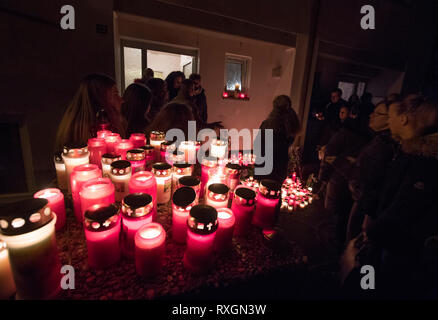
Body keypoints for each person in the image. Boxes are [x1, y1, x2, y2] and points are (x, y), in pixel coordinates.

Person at [342, 95, 438, 298]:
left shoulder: (423, 161)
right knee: (370, 272)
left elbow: (406, 206)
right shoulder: (404, 150)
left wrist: (374, 230)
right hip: (381, 232)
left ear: (404, 119)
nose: (388, 121)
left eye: (392, 115)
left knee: (377, 282)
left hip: (394, 243)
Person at [344, 101, 399, 241]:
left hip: (365, 205)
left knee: (355, 243)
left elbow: (375, 181)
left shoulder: (383, 146)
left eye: (377, 113)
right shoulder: (378, 140)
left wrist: (368, 213)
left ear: (389, 119)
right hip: (363, 201)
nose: (371, 115)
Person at [55, 73, 125, 151]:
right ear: (101, 100)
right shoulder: (101, 128)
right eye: (115, 93)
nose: (121, 100)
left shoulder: (73, 124)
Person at [254, 95, 301, 183]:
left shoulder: (266, 124)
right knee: (274, 193)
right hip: (280, 167)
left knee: (263, 193)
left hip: (264, 165)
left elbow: (257, 144)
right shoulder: (291, 126)